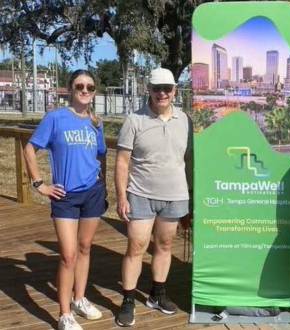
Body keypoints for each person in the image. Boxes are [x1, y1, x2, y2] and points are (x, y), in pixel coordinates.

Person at [24, 69, 107, 330]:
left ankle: (79, 298)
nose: (84, 90)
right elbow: (29, 148)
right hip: (65, 195)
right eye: (80, 86)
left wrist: (100, 179)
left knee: (84, 249)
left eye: (90, 87)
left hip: (92, 192)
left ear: (94, 92)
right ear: (70, 89)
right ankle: (64, 314)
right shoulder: (55, 118)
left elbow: (101, 153)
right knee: (68, 255)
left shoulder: (96, 122)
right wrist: (39, 184)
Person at [115, 67, 193, 327]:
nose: (162, 93)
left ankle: (156, 294)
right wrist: (121, 197)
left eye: (167, 88)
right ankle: (127, 300)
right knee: (136, 247)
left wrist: (190, 195)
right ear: (147, 89)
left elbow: (189, 160)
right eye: (156, 88)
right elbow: (122, 162)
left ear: (175, 90)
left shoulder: (185, 120)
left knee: (164, 246)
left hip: (175, 194)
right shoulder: (134, 120)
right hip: (140, 194)